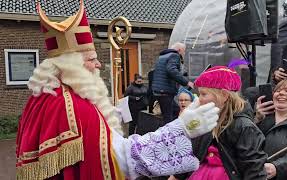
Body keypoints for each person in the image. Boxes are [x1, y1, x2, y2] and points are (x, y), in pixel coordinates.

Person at [15, 1, 221, 179]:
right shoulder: (73, 107)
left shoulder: (46, 96)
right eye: (91, 59)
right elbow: (121, 159)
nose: (98, 65)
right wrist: (181, 128)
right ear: (71, 65)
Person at [171, 66, 268, 180]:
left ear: (224, 95)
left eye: (204, 94)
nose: (199, 99)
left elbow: (254, 169)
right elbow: (190, 155)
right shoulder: (205, 122)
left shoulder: (244, 127)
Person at [152, 42, 194, 124]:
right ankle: (168, 135)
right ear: (179, 50)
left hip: (159, 90)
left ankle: (171, 131)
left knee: (175, 111)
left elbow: (165, 71)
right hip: (165, 91)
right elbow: (171, 70)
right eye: (184, 51)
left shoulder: (163, 56)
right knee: (168, 118)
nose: (184, 53)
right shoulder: (175, 55)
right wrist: (186, 82)